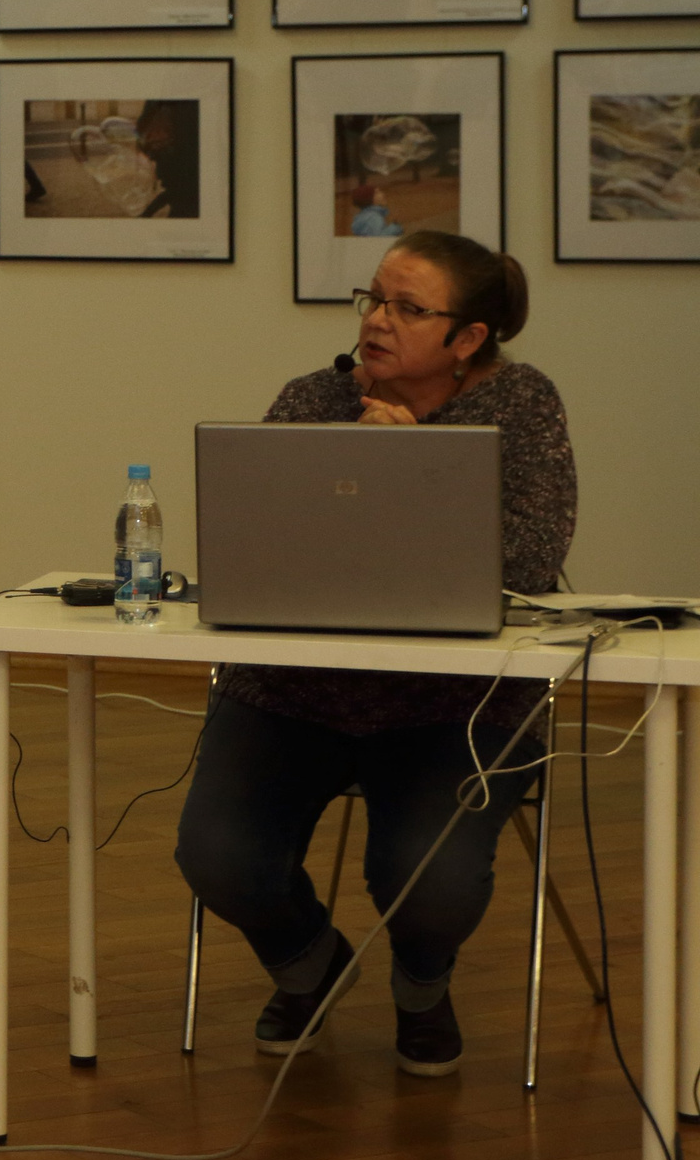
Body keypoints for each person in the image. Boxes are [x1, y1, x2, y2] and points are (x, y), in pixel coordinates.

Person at [174, 230, 574, 1078]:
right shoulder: (312, 398)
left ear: (468, 338)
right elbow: (259, 544)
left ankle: (423, 989)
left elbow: (532, 560)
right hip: (292, 693)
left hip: (458, 704)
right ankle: (311, 966)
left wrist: (406, 470)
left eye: (407, 307)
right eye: (374, 300)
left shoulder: (523, 405)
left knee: (428, 880)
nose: (377, 321)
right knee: (216, 855)